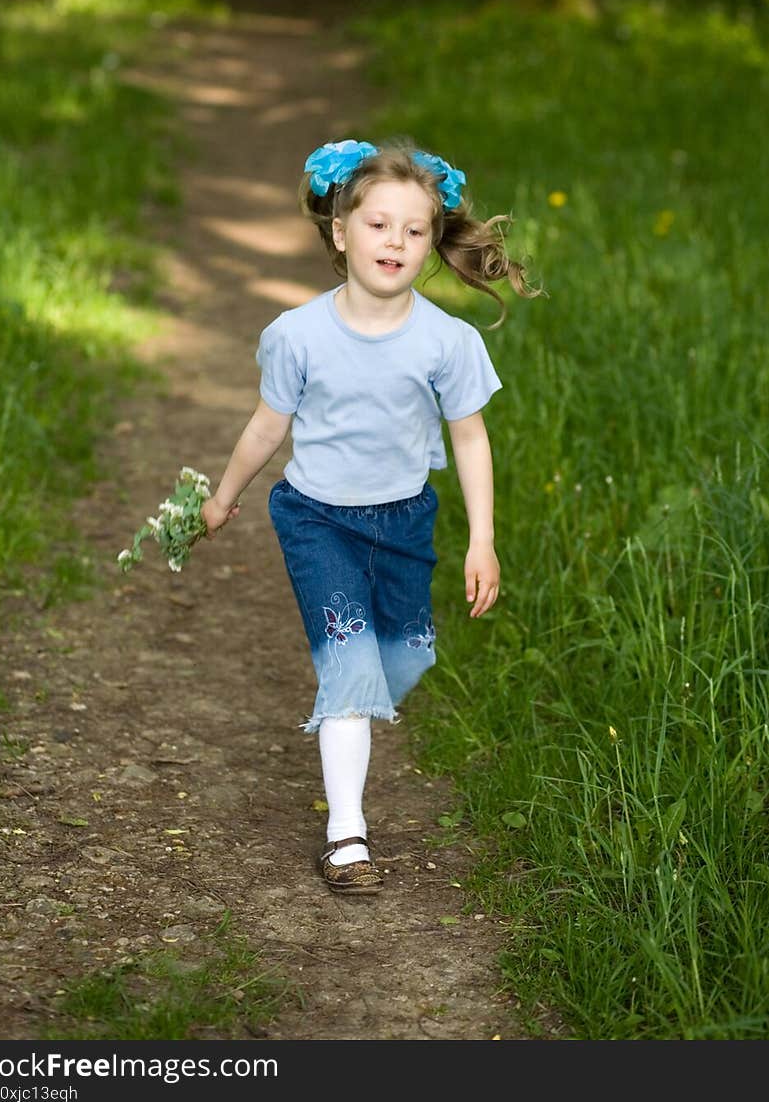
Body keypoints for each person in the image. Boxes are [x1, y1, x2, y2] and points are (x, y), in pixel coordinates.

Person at [200, 138, 542, 894]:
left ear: (430, 243)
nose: (396, 241)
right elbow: (266, 426)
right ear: (340, 231)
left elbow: (471, 438)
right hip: (315, 518)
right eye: (379, 224)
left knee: (407, 654)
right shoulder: (299, 334)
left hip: (403, 522)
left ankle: (351, 716)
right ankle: (345, 835)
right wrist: (223, 498)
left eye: (413, 230)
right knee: (349, 665)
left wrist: (481, 540)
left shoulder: (446, 343)